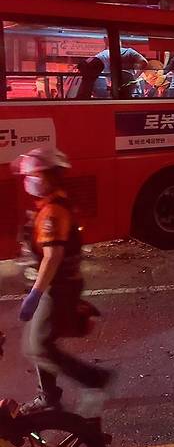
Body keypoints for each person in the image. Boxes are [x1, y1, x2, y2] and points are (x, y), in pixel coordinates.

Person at [12, 148, 111, 413]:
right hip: (49, 286)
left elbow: (53, 257)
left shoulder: (54, 211)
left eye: (32, 175)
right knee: (37, 345)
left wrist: (35, 294)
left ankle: (94, 381)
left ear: (49, 176)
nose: (28, 180)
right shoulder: (47, 207)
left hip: (55, 288)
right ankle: (49, 397)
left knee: (39, 346)